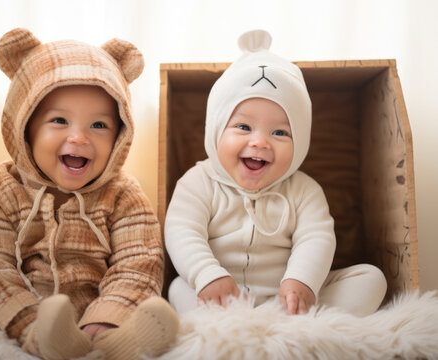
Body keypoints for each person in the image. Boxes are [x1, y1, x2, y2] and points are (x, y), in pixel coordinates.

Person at [0, 28, 178, 360]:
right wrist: (29, 321)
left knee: (136, 286)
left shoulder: (123, 193)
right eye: (60, 120)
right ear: (25, 129)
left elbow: (139, 261)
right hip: (34, 314)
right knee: (6, 290)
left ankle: (114, 340)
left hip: (104, 308)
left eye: (99, 125)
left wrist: (107, 317)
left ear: (120, 135)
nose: (79, 137)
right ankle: (47, 340)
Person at [165, 30, 387, 317]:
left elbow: (316, 238)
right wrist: (207, 274)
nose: (259, 142)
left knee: (371, 279)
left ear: (301, 143)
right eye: (243, 127)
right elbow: (182, 230)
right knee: (178, 288)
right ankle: (233, 327)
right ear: (215, 130)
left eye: (280, 132)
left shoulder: (304, 190)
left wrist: (301, 281)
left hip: (286, 300)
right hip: (222, 295)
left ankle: (289, 325)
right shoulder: (198, 182)